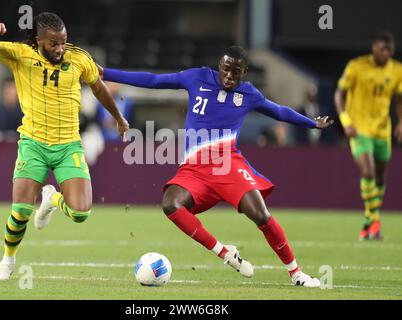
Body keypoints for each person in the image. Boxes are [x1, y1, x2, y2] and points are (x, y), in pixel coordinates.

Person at [100, 46, 333, 287]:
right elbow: (154, 80)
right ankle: (224, 253)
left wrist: (312, 124)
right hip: (195, 168)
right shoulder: (197, 77)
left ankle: (297, 274)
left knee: (261, 215)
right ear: (219, 66)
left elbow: (279, 111)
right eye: (226, 69)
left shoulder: (249, 94)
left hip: (228, 165)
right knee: (171, 204)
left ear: (244, 73)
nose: (230, 76)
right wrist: (107, 73)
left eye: (236, 72)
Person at [0, 12, 129, 280]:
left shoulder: (79, 58)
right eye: (54, 43)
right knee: (20, 211)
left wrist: (119, 118)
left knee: (80, 213)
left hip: (68, 146)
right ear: (39, 40)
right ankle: (7, 260)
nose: (60, 49)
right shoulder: (20, 54)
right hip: (33, 144)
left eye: (63, 42)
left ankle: (51, 198)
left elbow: (98, 88)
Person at [334, 31, 402, 241]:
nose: (383, 53)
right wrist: (346, 121)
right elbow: (339, 94)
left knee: (380, 175)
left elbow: (400, 98)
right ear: (374, 48)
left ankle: (368, 220)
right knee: (369, 172)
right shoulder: (357, 66)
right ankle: (375, 221)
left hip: (382, 130)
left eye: (387, 50)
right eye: (380, 48)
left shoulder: (397, 70)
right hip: (359, 128)